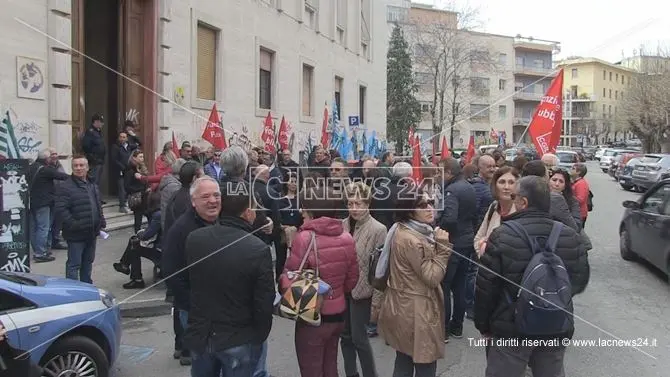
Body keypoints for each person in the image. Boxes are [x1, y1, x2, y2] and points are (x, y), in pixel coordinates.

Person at [475, 176, 590, 377]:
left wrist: (484, 326)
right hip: (555, 324)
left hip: (511, 328)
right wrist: (549, 296)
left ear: (523, 202)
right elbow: (579, 281)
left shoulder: (502, 235)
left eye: (514, 196)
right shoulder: (570, 236)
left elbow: (487, 287)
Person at [184, 179, 275, 377]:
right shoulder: (257, 250)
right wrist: (259, 335)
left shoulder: (195, 239)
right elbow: (264, 301)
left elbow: (187, 283)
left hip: (202, 335)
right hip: (239, 338)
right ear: (247, 212)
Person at [284, 185, 359, 377]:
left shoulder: (305, 238)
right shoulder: (347, 237)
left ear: (311, 210)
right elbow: (352, 280)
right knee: (330, 364)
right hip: (339, 313)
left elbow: (290, 277)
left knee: (311, 367)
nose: (301, 212)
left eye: (304, 207)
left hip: (313, 312)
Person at [376, 188, 451, 377]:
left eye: (431, 203)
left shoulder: (404, 229)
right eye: (422, 205)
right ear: (410, 211)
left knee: (404, 359)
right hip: (417, 310)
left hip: (403, 305)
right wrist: (443, 248)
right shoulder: (412, 238)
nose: (430, 208)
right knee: (425, 362)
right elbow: (432, 277)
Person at [162, 176, 222, 366]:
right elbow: (172, 272)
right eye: (205, 196)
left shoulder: (224, 221)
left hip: (223, 309)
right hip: (196, 311)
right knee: (205, 363)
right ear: (193, 201)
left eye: (216, 195)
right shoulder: (181, 230)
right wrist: (190, 304)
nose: (213, 200)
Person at [341, 182, 386, 377]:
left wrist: (377, 303)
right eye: (350, 203)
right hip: (343, 290)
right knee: (345, 337)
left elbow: (380, 271)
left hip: (363, 291)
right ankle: (351, 373)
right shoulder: (342, 225)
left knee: (360, 339)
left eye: (358, 203)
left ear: (368, 203)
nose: (354, 209)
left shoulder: (378, 229)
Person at [438, 157, 477, 340]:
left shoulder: (451, 190)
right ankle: (457, 326)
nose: (439, 176)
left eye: (441, 172)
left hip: (454, 242)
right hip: (467, 240)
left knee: (445, 285)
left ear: (448, 172)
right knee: (460, 285)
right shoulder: (469, 186)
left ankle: (444, 328)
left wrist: (439, 228)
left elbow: (450, 218)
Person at [55, 156, 106, 283]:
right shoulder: (65, 186)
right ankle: (73, 291)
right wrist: (74, 224)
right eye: (75, 166)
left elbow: (97, 204)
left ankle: (86, 287)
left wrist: (101, 220)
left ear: (87, 167)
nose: (78, 168)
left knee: (88, 262)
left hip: (91, 232)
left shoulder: (92, 184)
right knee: (74, 264)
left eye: (81, 165)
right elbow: (61, 209)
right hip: (75, 234)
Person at [113, 191, 163, 289]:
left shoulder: (158, 215)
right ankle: (125, 266)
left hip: (161, 251)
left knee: (134, 246)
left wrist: (140, 233)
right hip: (160, 246)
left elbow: (147, 235)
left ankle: (135, 277)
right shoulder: (160, 212)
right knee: (134, 242)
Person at [474, 166, 519, 258]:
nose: (506, 187)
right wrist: (483, 253)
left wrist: (485, 243)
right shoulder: (494, 207)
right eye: (502, 182)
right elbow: (477, 239)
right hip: (487, 266)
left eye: (511, 182)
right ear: (495, 185)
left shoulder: (521, 210)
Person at [521, 161, 579, 231]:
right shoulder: (554, 199)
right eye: (548, 173)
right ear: (543, 178)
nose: (557, 184)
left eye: (561, 181)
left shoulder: (570, 201)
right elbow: (573, 228)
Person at [125, 149, 151, 233]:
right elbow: (127, 186)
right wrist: (141, 189)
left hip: (144, 196)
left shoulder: (142, 167)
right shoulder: (130, 169)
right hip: (137, 197)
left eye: (142, 157)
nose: (142, 159)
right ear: (134, 158)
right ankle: (137, 235)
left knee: (150, 215)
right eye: (140, 157)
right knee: (138, 218)